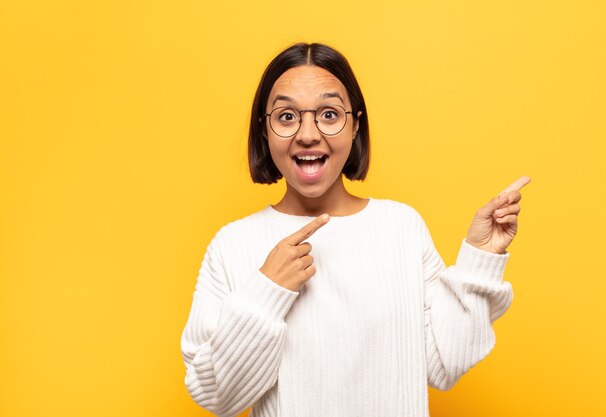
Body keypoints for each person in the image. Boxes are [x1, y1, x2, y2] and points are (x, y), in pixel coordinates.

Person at [180, 42, 530, 417]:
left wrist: (481, 257)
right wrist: (267, 290)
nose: (308, 134)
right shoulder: (233, 244)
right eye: (286, 117)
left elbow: (443, 363)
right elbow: (218, 396)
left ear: (355, 124)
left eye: (329, 114)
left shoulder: (400, 227)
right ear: (264, 130)